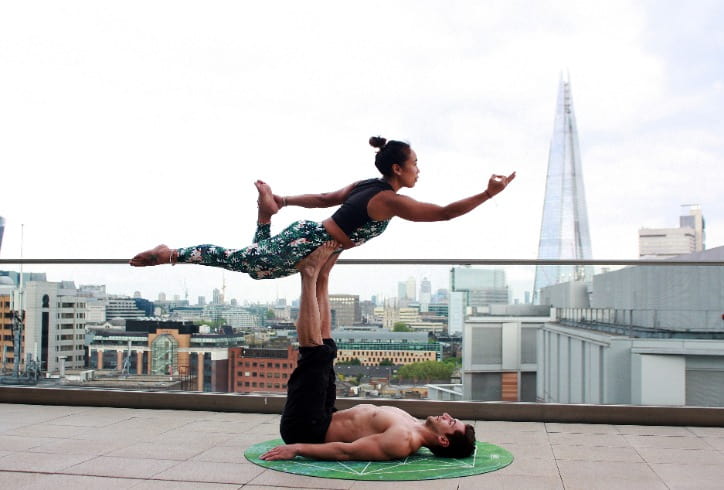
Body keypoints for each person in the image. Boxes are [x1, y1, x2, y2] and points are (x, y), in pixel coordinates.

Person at [129, 136, 516, 280]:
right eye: (415, 163)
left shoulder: (366, 185)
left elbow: (325, 199)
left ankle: (266, 211)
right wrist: (489, 194)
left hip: (308, 236)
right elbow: (445, 213)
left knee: (257, 260)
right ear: (398, 167)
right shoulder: (389, 199)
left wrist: (284, 200)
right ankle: (171, 253)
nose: (419, 169)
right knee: (251, 265)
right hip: (309, 244)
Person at [261, 241, 477, 461]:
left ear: (443, 440)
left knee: (315, 354)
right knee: (327, 348)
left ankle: (307, 274)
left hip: (306, 428)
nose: (447, 415)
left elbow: (346, 451)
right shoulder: (413, 424)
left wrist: (297, 448)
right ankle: (322, 276)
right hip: (325, 415)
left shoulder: (402, 441)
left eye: (451, 422)